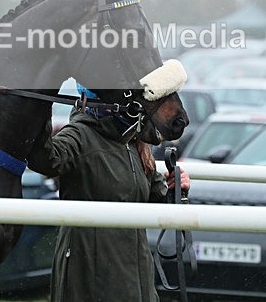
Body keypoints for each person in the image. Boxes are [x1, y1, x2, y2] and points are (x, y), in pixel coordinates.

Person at [27, 84, 191, 302]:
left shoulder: (136, 143)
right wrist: (41, 104)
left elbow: (161, 201)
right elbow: (45, 159)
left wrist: (178, 189)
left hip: (137, 274)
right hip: (89, 274)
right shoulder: (79, 135)